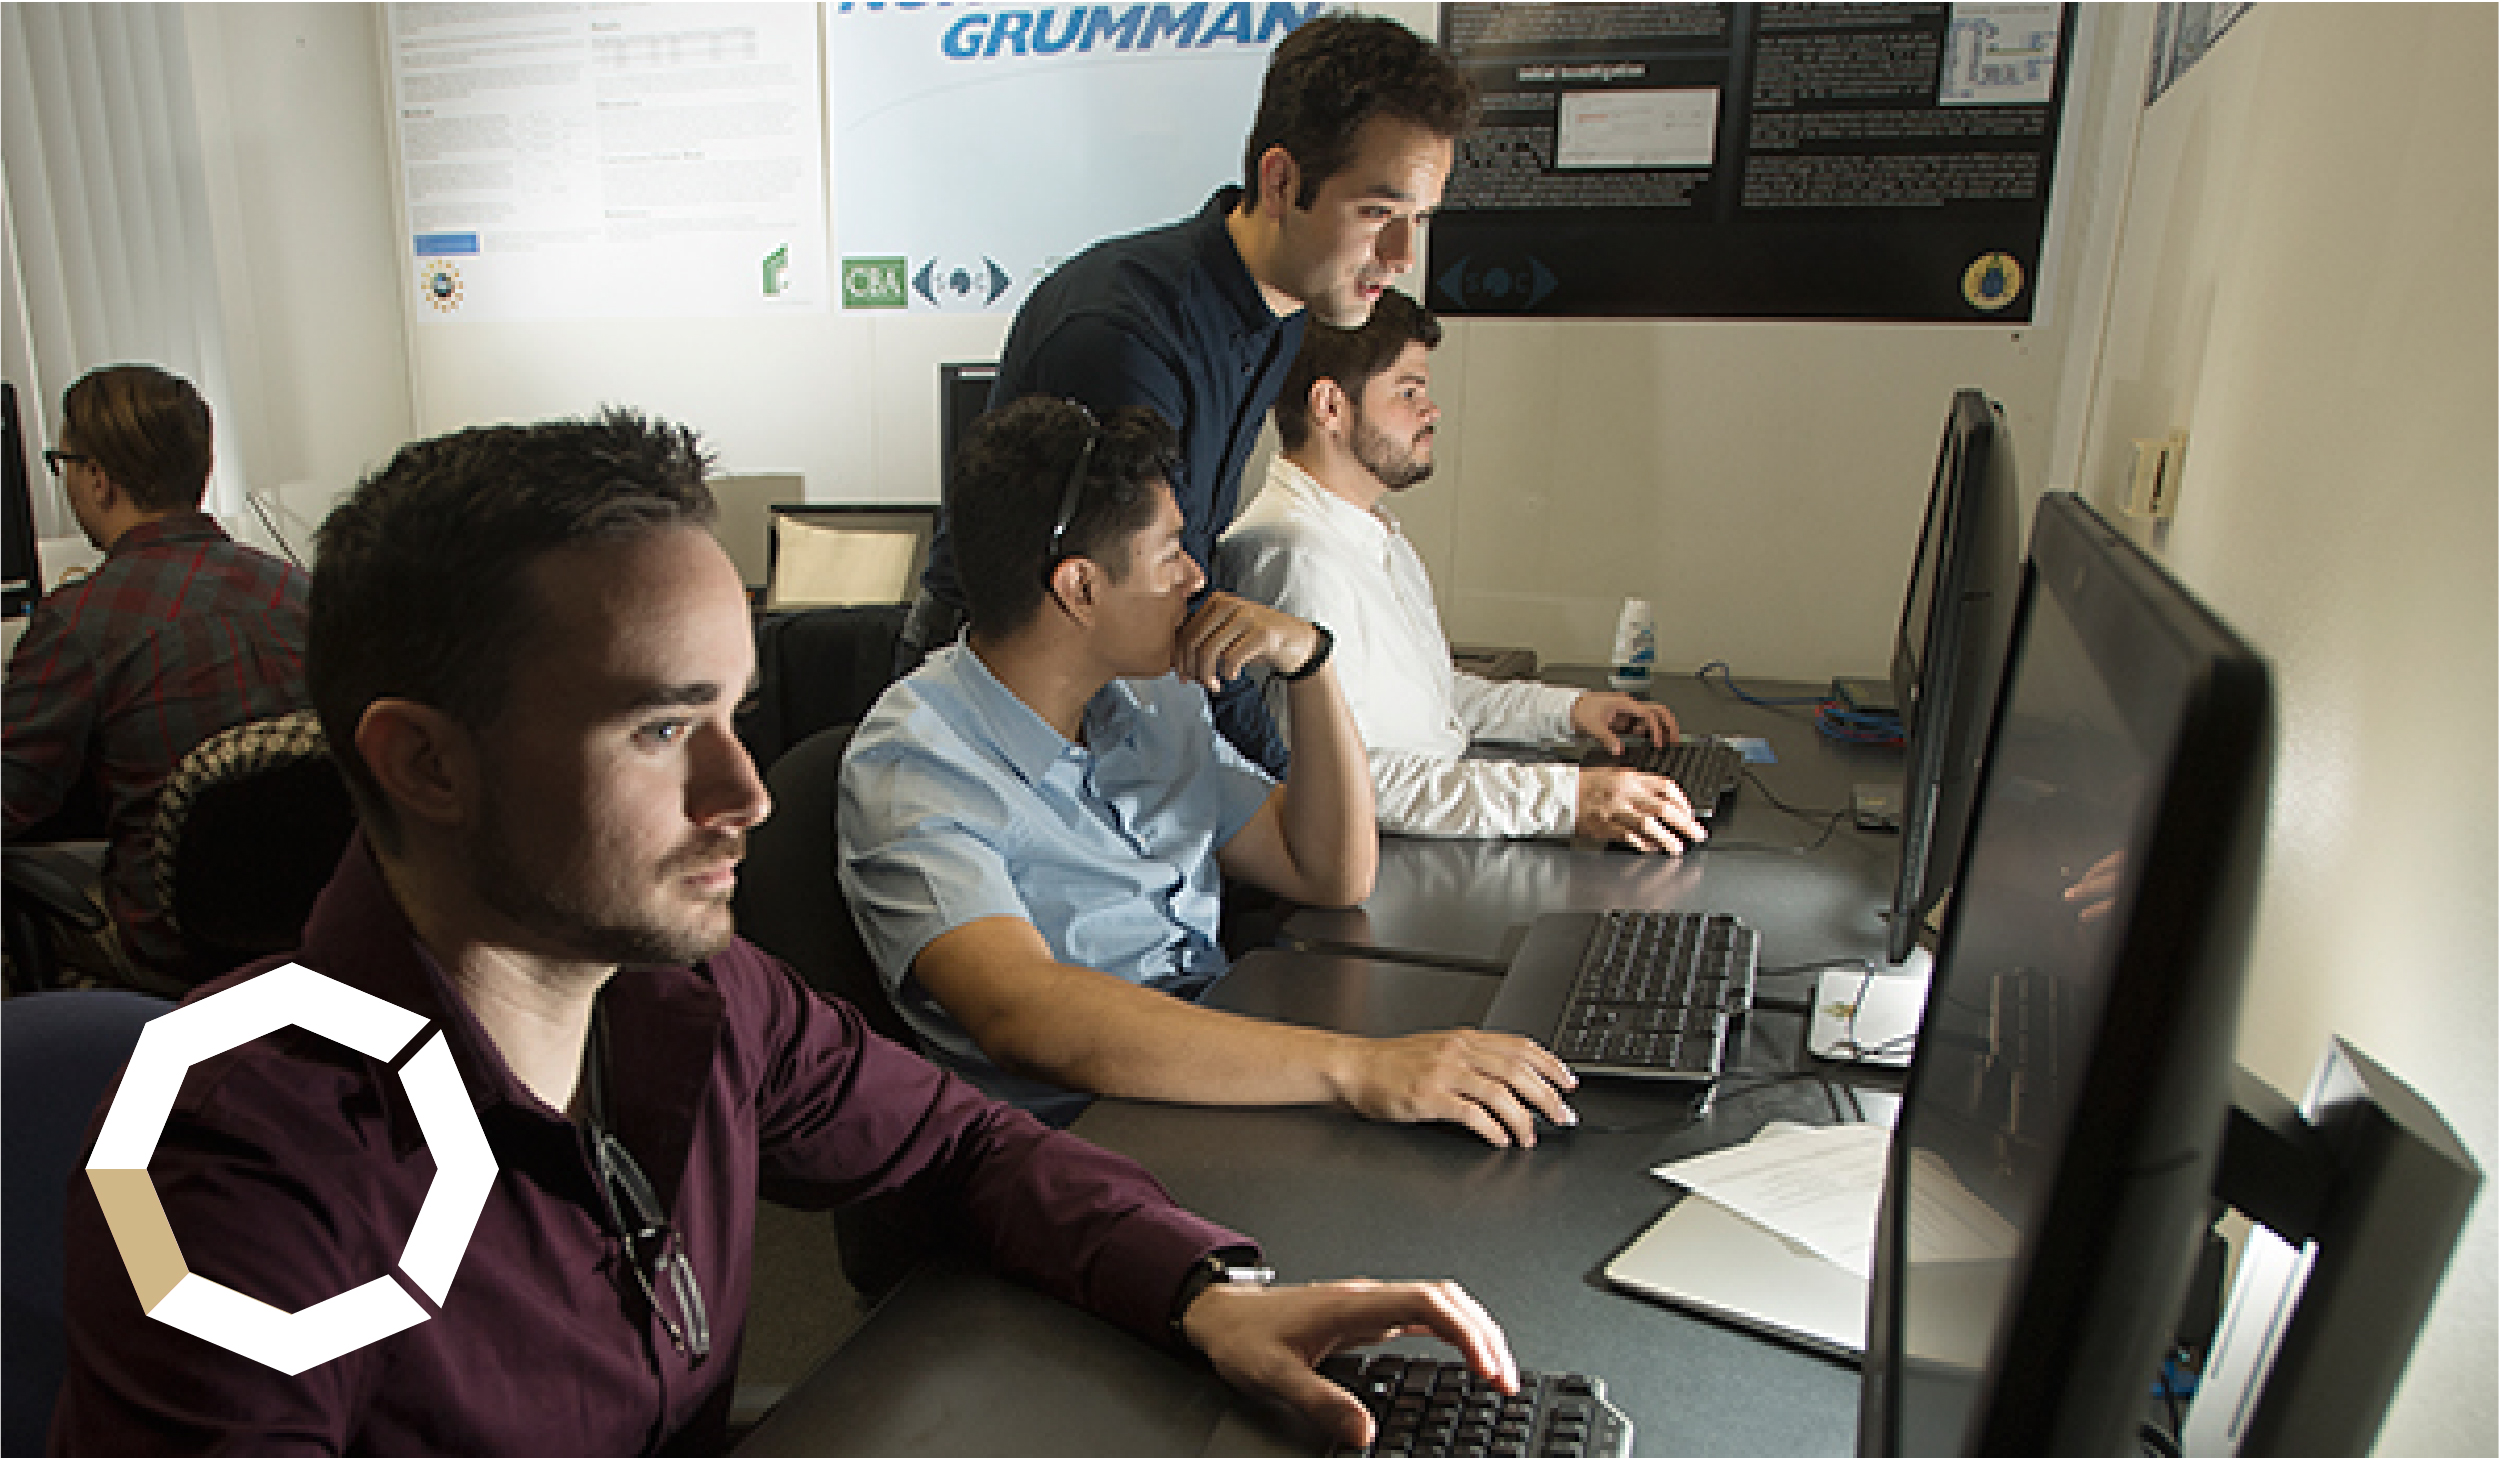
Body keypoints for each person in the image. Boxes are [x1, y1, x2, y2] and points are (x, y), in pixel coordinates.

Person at [51, 409, 1521, 1455]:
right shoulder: (236, 1162)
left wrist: (1207, 1294)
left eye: (734, 713)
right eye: (659, 729)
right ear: (425, 762)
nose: (745, 792)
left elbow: (968, 1144)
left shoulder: (696, 1002)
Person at [843, 397, 1579, 1147]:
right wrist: (1357, 1069)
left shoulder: (1150, 698)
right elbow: (1027, 1014)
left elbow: (1327, 872)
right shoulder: (917, 763)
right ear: (1080, 589)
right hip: (1074, 1144)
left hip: (1215, 1069)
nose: (1195, 577)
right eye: (1169, 554)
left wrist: (1310, 665)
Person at [901, 13, 1477, 776]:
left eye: (1419, 219)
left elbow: (1183, 584)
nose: (1403, 255)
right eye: (1376, 213)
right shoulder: (1123, 334)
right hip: (1001, 727)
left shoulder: (1274, 319)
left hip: (1113, 696)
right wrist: (1279, 768)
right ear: (1281, 181)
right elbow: (1137, 595)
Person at [1217, 290, 1708, 854]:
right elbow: (1346, 782)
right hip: (1379, 859)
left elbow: (1429, 705)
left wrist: (1567, 711)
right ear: (1330, 406)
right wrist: (1569, 799)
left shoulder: (1368, 531)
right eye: (1408, 392)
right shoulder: (1295, 556)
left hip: (1421, 831)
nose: (1432, 411)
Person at [2, 364, 309, 985]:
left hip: (168, 956)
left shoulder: (81, 622)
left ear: (97, 477)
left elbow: (12, 801)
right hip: (316, 936)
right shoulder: (301, 589)